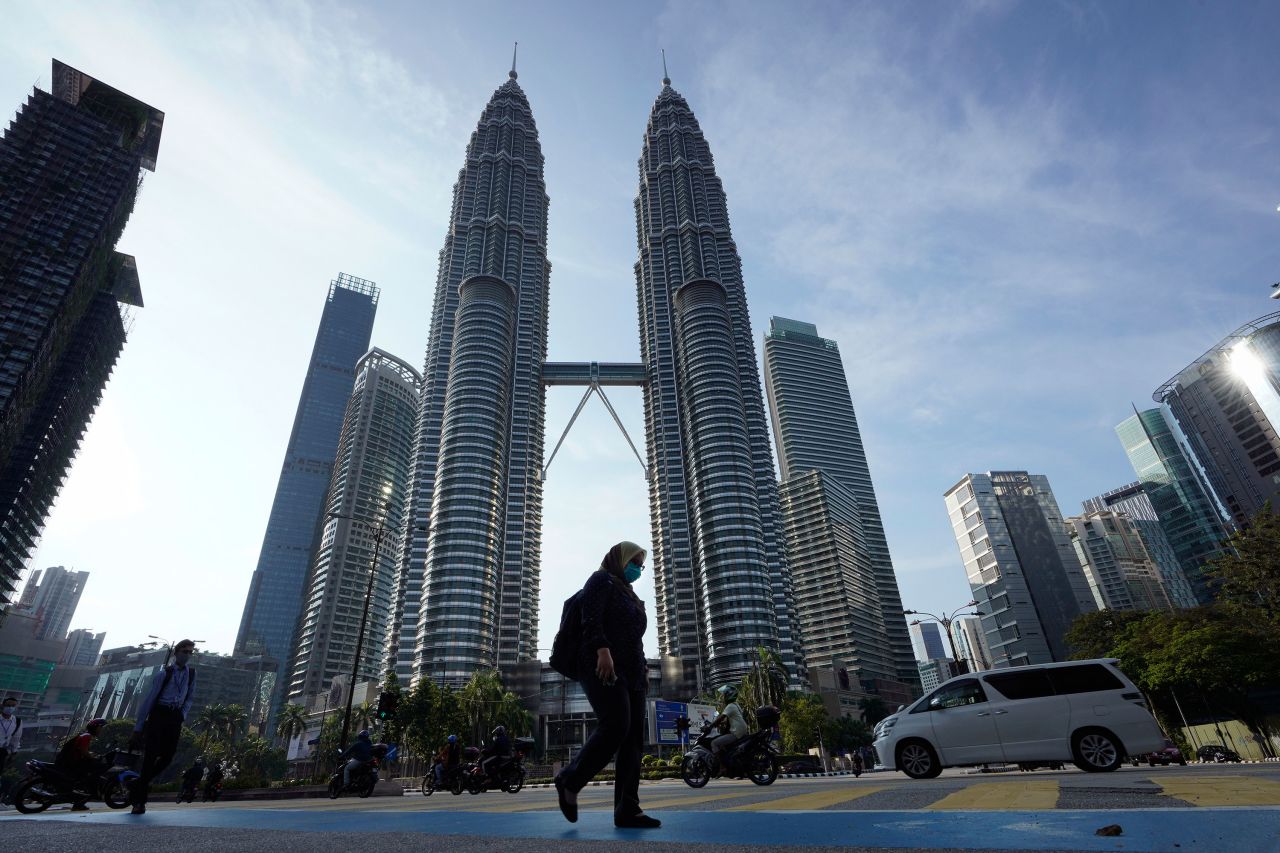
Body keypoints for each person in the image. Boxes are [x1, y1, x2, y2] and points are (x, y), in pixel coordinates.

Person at [555, 541, 659, 829]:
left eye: (641, 564)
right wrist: (602, 650)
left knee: (633, 742)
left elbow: (635, 638)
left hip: (634, 673)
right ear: (619, 559)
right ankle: (569, 780)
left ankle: (628, 809)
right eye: (634, 562)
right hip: (601, 664)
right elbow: (591, 619)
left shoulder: (632, 596)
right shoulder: (601, 580)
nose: (638, 568)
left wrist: (645, 669)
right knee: (616, 724)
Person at [129, 639, 198, 814]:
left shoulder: (192, 673)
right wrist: (138, 727)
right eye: (185, 651)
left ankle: (139, 783)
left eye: (191, 652)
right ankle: (139, 801)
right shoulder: (164, 674)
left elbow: (190, 697)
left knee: (168, 756)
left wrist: (183, 714)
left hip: (175, 716)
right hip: (159, 714)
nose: (188, 655)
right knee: (150, 757)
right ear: (176, 652)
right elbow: (150, 699)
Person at [54, 717, 108, 811]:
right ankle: (80, 801)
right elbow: (83, 752)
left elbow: (80, 750)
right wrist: (92, 757)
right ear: (96, 727)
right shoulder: (87, 736)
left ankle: (78, 799)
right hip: (74, 763)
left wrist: (90, 754)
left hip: (70, 762)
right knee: (92, 780)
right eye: (101, 727)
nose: (101, 730)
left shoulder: (83, 735)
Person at [710, 684, 749, 759]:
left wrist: (711, 725)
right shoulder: (736, 705)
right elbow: (733, 719)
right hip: (742, 731)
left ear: (729, 695)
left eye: (724, 695)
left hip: (736, 733)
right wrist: (722, 723)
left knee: (714, 743)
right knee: (723, 744)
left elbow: (721, 718)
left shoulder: (730, 706)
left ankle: (722, 767)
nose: (723, 697)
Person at [0, 697, 22, 806]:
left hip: (2, 751)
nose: (10, 708)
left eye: (13, 706)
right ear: (3, 705)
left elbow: (16, 738)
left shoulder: (17, 721)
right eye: (8, 705)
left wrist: (14, 752)